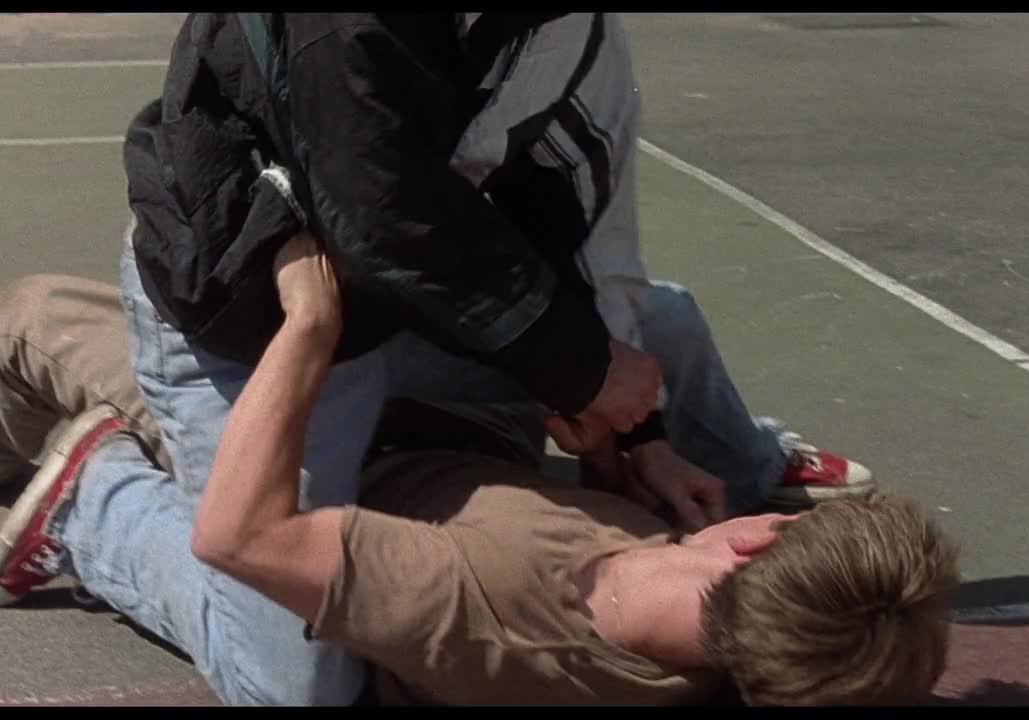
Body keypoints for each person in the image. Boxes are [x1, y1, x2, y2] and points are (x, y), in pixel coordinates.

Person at [110, 12, 875, 704]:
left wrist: (638, 434)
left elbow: (590, 221)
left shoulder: (575, 32)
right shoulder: (349, 27)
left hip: (398, 310)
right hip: (259, 308)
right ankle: (95, 493)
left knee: (661, 324)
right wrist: (579, 372)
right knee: (293, 687)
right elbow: (375, 211)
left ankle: (747, 462)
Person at [0, 259, 958, 706]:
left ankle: (90, 492)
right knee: (660, 315)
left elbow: (240, 536)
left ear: (754, 540)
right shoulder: (699, 619)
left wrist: (309, 329)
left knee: (33, 319)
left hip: (332, 465)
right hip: (463, 440)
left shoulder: (484, 606)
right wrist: (622, 452)